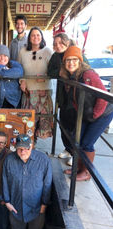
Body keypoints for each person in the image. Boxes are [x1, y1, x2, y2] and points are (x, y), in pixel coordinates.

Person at [60, 46, 113, 181]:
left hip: (103, 113)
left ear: (80, 61)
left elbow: (103, 97)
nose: (71, 63)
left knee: (87, 142)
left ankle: (86, 172)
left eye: (74, 60)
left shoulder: (88, 75)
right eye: (68, 60)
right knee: (77, 139)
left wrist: (94, 116)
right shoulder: (71, 76)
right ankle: (78, 168)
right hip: (87, 113)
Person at [2, 134, 52, 229]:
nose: (23, 151)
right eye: (20, 148)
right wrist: (7, 202)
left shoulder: (43, 160)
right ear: (15, 147)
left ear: (31, 146)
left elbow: (47, 183)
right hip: (16, 209)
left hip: (36, 209)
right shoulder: (9, 160)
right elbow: (4, 181)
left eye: (26, 148)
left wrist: (44, 204)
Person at [18, 27, 53, 139]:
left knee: (43, 119)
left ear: (41, 37)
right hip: (28, 91)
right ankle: (30, 143)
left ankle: (37, 144)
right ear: (29, 38)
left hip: (44, 91)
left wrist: (46, 77)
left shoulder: (47, 51)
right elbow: (19, 69)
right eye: (33, 35)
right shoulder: (23, 51)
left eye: (38, 35)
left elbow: (55, 70)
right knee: (28, 119)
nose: (35, 37)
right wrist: (21, 81)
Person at [48, 33, 76, 166]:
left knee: (76, 127)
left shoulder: (74, 52)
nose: (57, 46)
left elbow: (82, 69)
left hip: (75, 97)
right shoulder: (55, 56)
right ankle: (68, 149)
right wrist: (60, 72)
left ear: (66, 42)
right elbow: (50, 72)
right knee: (64, 125)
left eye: (60, 43)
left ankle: (75, 154)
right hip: (62, 96)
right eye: (55, 44)